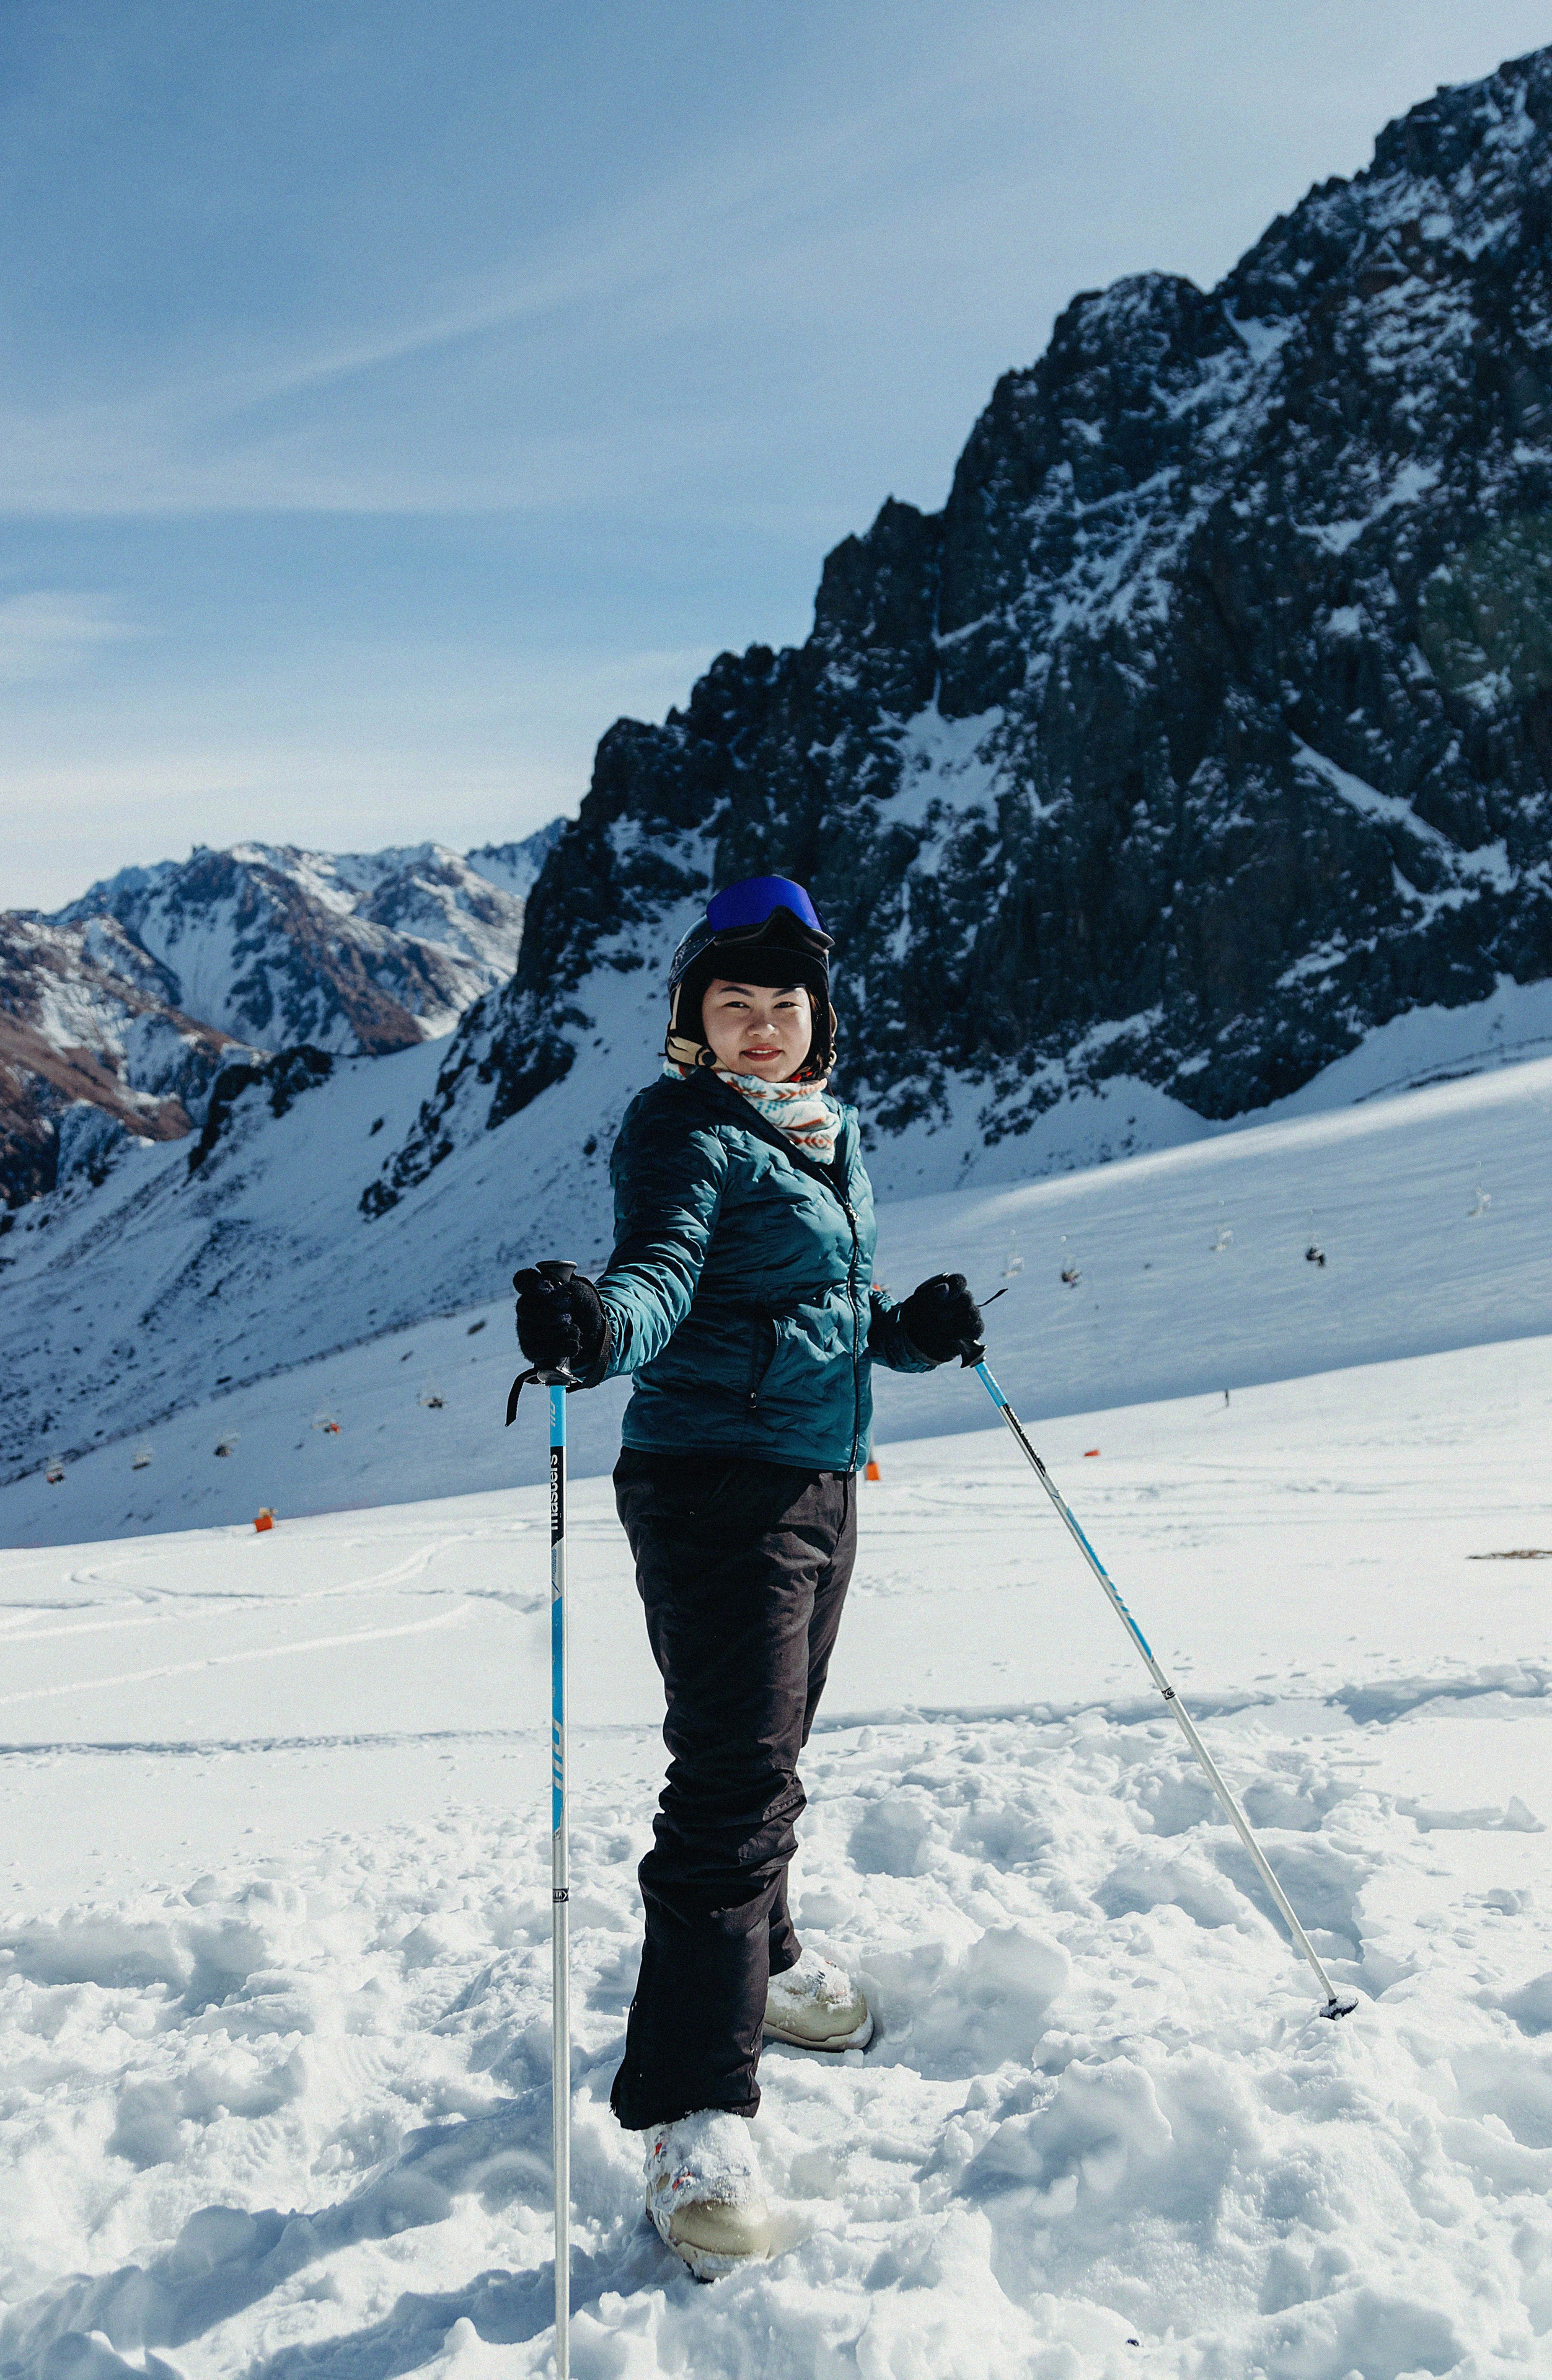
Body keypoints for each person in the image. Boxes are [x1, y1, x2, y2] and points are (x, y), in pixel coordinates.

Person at [512, 874, 984, 2280]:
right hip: (714, 1487)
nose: (762, 1026)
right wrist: (596, 1331)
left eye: (783, 1003)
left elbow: (811, 1311)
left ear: (815, 1015)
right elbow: (660, 1280)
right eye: (734, 1004)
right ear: (693, 1021)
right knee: (727, 1785)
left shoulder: (825, 1133)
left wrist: (906, 1333)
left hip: (816, 1475)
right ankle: (689, 2114)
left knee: (767, 1751)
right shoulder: (681, 1133)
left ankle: (764, 1969)